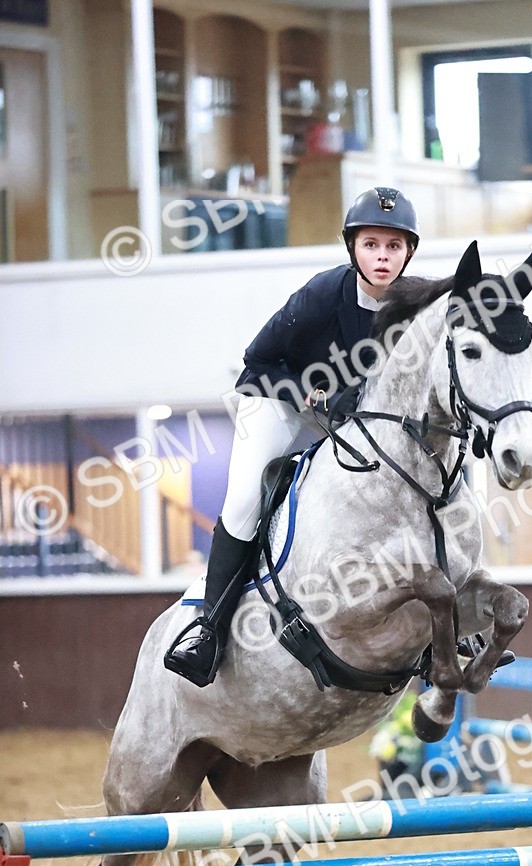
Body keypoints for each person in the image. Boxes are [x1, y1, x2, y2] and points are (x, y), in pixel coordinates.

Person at [164, 186, 420, 687]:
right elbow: (257, 361)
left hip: (354, 421)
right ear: (353, 248)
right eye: (372, 245)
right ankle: (208, 631)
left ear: (409, 251)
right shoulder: (322, 295)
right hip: (279, 404)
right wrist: (314, 394)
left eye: (393, 247)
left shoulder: (415, 307)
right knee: (242, 501)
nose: (382, 257)